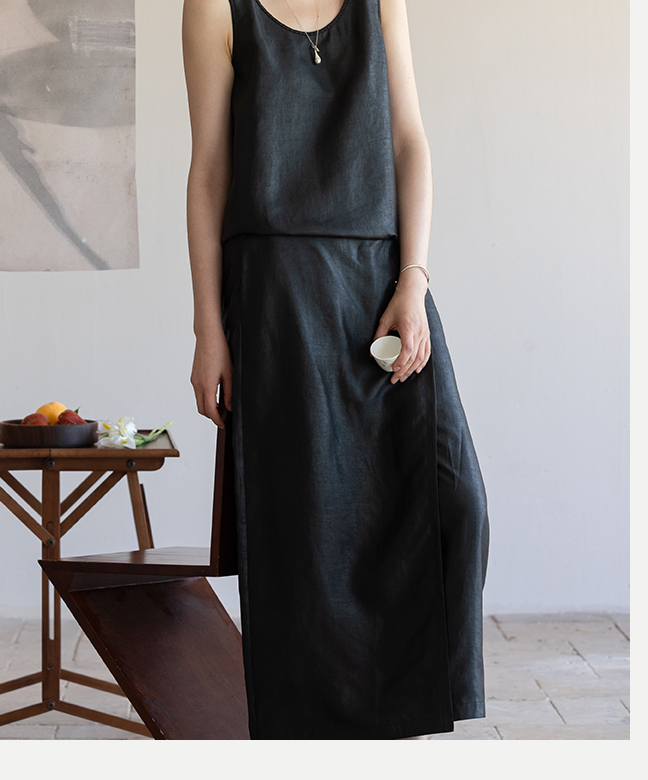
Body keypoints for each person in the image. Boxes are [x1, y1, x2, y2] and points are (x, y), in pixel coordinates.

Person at [182, 0, 491, 739]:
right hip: (277, 297)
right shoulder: (213, 7)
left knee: (456, 505)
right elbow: (210, 172)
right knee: (306, 537)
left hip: (383, 290)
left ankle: (401, 711)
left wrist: (414, 278)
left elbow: (409, 141)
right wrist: (208, 329)